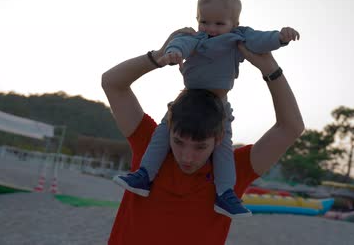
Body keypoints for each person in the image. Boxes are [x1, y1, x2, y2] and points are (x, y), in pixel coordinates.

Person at [101, 27, 305, 245]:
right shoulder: (150, 147)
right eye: (178, 142)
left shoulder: (233, 169)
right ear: (168, 128)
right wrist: (159, 55)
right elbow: (112, 83)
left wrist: (270, 68)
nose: (186, 157)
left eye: (200, 147)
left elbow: (291, 128)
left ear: (218, 139)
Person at [114, 0, 300, 218]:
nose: (211, 29)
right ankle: (144, 175)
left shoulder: (239, 37)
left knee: (223, 148)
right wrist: (170, 53)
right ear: (197, 19)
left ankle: (224, 193)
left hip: (218, 105)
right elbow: (180, 45)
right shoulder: (196, 38)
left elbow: (262, 40)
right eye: (204, 22)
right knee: (161, 135)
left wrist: (280, 38)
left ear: (235, 23)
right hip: (186, 101)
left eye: (219, 24)